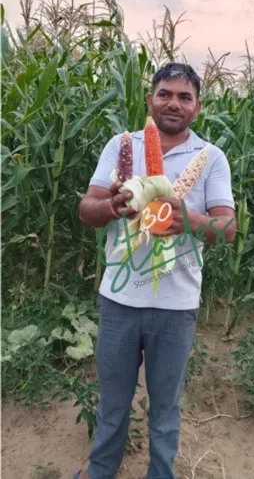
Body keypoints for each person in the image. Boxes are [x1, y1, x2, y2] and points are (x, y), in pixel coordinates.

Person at [75, 63, 237, 479]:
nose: (174, 103)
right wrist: (113, 205)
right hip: (120, 301)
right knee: (112, 404)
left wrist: (190, 220)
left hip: (175, 307)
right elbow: (87, 210)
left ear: (197, 108)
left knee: (166, 409)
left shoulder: (211, 158)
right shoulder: (121, 146)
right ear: (150, 100)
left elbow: (228, 229)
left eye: (185, 97)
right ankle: (100, 471)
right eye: (165, 94)